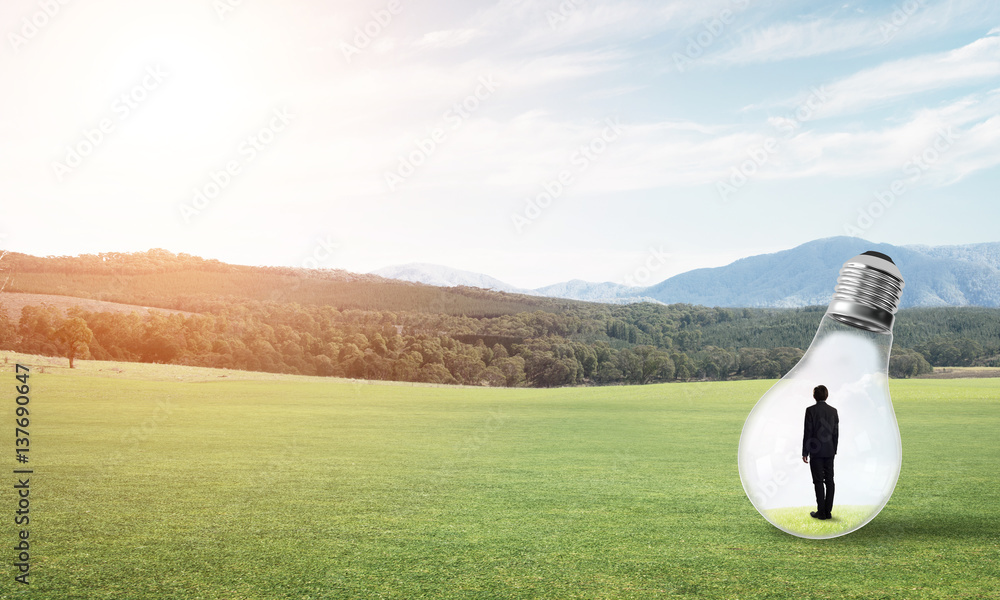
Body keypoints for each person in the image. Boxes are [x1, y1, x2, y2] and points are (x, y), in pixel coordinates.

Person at [801, 384, 838, 520]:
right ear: (826, 395)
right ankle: (828, 511)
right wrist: (834, 449)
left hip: (815, 452)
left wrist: (805, 452)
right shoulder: (833, 411)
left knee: (818, 481)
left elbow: (808, 432)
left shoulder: (810, 410)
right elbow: (835, 433)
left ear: (814, 396)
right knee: (829, 480)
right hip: (829, 451)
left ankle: (820, 511)